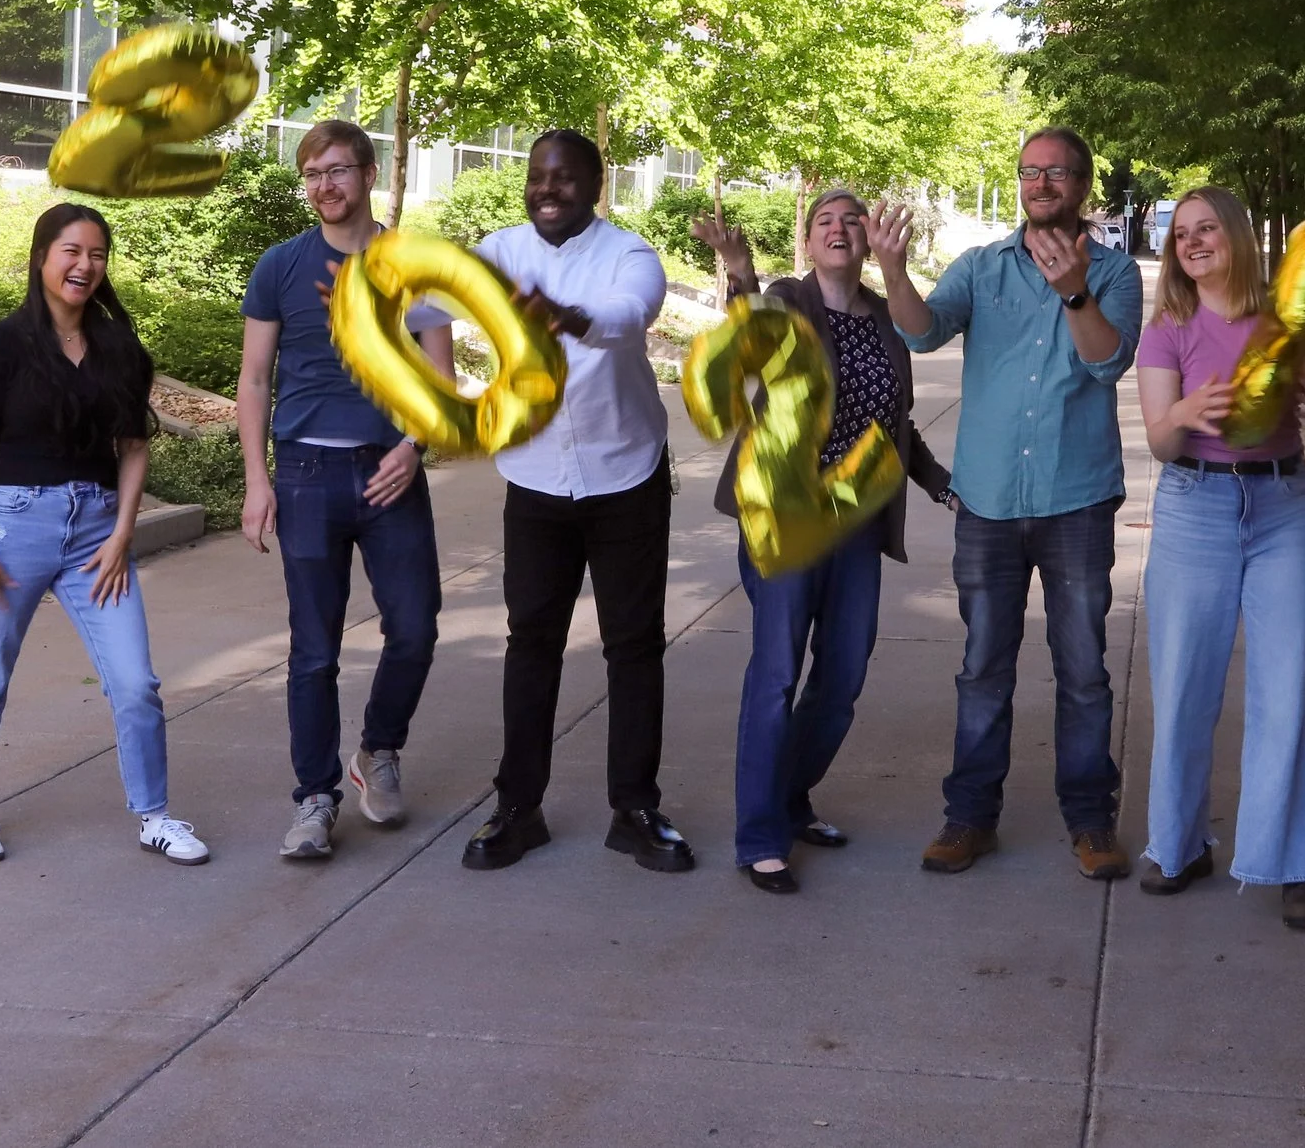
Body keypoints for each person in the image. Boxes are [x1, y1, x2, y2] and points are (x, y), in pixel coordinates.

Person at [874, 126, 1145, 881]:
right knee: (983, 667)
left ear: (1082, 186)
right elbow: (923, 334)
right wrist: (893, 271)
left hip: (1076, 500)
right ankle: (969, 817)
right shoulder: (980, 266)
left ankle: (1090, 820)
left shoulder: (1116, 272)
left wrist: (1074, 292)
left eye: (1056, 172)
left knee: (1083, 670)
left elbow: (1107, 361)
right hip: (988, 502)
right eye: (1030, 171)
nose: (1040, 183)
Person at [693, 194, 951, 895]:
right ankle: (759, 836)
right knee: (777, 672)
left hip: (854, 522)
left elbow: (896, 424)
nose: (839, 228)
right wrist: (738, 272)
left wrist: (942, 486)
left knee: (842, 677)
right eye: (825, 221)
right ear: (809, 243)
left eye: (851, 220)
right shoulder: (790, 299)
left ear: (868, 241)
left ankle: (788, 795)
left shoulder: (884, 320)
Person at [0, 203, 208, 867]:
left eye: (96, 254)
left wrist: (122, 535)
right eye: (71, 251)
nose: (84, 265)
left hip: (96, 533)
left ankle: (155, 816)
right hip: (15, 527)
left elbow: (134, 449)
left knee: (136, 683)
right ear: (42, 257)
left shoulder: (120, 349)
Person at [460, 130, 692, 873]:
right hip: (534, 478)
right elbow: (429, 304)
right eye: (537, 176)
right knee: (531, 642)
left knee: (634, 645)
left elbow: (632, 315)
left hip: (625, 475)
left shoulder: (629, 254)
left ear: (596, 185)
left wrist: (570, 317)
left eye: (562, 178)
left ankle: (635, 809)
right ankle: (518, 809)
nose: (546, 189)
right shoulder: (498, 253)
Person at [238, 121, 454, 862]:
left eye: (336, 170)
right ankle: (315, 798)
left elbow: (441, 378)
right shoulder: (280, 266)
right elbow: (254, 380)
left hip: (391, 473)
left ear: (368, 173)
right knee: (313, 652)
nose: (323, 185)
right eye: (311, 174)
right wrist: (256, 481)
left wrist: (413, 446)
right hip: (304, 476)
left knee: (416, 628)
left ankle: (379, 749)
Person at [1135, 186, 1305, 931]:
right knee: (1183, 684)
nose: (1192, 242)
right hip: (1195, 507)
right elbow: (1159, 441)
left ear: (1236, 236)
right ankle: (1177, 846)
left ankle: (1292, 864)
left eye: (1206, 229)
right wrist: (1184, 414)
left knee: (1290, 687)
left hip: (1282, 508)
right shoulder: (1168, 329)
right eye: (1181, 234)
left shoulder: (1290, 321)